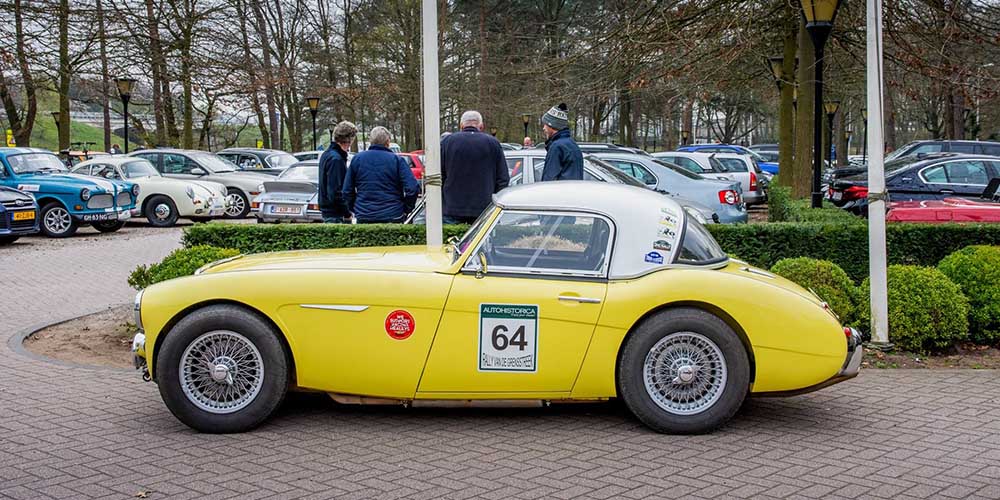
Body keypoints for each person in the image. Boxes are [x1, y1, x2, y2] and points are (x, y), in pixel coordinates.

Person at [440, 111, 509, 224]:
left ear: (461, 126)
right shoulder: (493, 143)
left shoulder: (447, 142)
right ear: (481, 126)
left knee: (451, 240)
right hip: (484, 208)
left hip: (452, 208)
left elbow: (440, 175)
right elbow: (503, 178)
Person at [342, 126, 419, 223]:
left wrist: (356, 207)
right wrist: (406, 209)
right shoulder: (397, 161)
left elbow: (346, 191)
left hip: (364, 214)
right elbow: (412, 188)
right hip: (393, 214)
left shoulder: (357, 159)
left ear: (371, 141)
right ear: (388, 142)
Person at [318, 121, 357, 223]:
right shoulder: (336, 159)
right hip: (336, 214)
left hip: (329, 211)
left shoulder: (327, 155)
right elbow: (335, 192)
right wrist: (347, 212)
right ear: (350, 139)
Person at [540, 103, 583, 181]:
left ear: (552, 125)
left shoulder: (557, 147)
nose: (543, 128)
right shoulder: (571, 144)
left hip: (560, 192)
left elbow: (549, 179)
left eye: (545, 125)